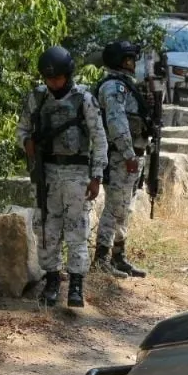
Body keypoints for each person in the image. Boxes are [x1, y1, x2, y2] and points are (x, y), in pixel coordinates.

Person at [16, 45, 109, 309]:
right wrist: (26, 143)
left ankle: (76, 283)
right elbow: (22, 129)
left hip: (77, 172)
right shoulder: (37, 98)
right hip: (45, 172)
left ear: (68, 75)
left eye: (57, 78)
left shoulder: (84, 99)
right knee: (46, 228)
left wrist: (97, 176)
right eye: (49, 78)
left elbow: (99, 139)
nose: (53, 83)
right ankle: (52, 279)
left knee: (76, 228)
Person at [91, 40, 154, 278]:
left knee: (126, 207)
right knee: (114, 207)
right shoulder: (113, 87)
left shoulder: (127, 86)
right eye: (129, 59)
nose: (133, 64)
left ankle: (119, 256)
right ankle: (101, 259)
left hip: (133, 155)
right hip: (120, 156)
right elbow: (116, 123)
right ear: (120, 61)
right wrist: (128, 153)